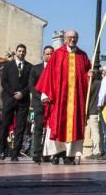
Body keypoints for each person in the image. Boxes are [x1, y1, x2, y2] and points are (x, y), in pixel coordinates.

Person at [36, 30, 91, 165]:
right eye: (70, 37)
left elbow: (86, 74)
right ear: (65, 39)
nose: (73, 40)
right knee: (57, 123)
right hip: (59, 98)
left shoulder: (83, 56)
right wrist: (46, 94)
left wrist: (89, 75)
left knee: (74, 125)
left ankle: (70, 155)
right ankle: (57, 153)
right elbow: (49, 74)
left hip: (76, 100)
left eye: (75, 37)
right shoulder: (57, 54)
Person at [0, 44, 31, 161]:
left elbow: (31, 84)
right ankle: (2, 150)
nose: (21, 53)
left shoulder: (29, 67)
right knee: (5, 125)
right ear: (16, 52)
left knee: (20, 127)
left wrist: (22, 93)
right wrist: (14, 93)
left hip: (23, 101)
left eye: (23, 51)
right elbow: (4, 82)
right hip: (9, 99)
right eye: (19, 51)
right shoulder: (7, 66)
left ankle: (15, 153)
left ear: (25, 53)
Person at [29, 45, 54, 163]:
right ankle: (37, 152)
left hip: (52, 103)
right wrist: (41, 97)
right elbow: (31, 85)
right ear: (43, 55)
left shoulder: (57, 69)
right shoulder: (35, 68)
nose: (49, 56)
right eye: (47, 54)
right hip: (39, 103)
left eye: (51, 53)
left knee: (50, 129)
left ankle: (47, 153)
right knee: (39, 127)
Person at [85, 67, 104, 159]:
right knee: (100, 132)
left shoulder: (93, 84)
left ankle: (96, 151)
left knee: (95, 132)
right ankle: (100, 150)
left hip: (93, 111)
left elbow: (87, 94)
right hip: (102, 111)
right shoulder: (102, 83)